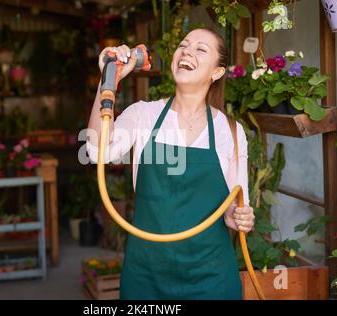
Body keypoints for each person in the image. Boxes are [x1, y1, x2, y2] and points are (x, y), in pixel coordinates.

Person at [86, 28, 255, 300]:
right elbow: (96, 151)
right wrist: (108, 79)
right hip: (146, 276)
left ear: (217, 72)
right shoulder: (143, 115)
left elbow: (233, 208)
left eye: (201, 49)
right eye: (184, 45)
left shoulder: (230, 132)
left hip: (211, 277)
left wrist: (241, 218)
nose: (187, 50)